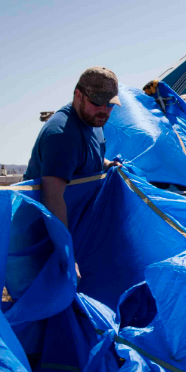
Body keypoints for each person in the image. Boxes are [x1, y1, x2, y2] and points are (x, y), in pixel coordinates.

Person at [24, 67, 122, 278]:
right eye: (97, 102)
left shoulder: (93, 121)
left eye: (110, 104)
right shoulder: (63, 136)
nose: (104, 110)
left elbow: (87, 156)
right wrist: (66, 255)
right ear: (78, 95)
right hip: (45, 240)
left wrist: (107, 165)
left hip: (76, 229)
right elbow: (52, 196)